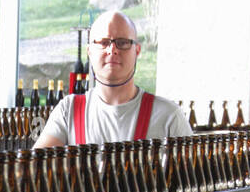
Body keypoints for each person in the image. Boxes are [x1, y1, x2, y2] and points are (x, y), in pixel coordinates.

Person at [33, 11, 190, 149]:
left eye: (122, 43)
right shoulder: (69, 110)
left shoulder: (169, 116)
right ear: (89, 52)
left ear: (137, 50)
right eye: (103, 42)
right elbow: (35, 170)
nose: (112, 50)